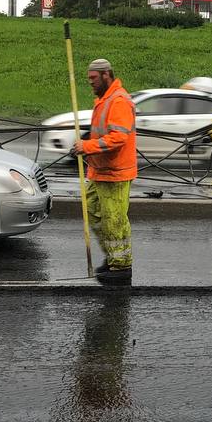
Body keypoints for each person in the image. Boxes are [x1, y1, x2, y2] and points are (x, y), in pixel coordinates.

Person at [70, 58, 136, 285]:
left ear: (106, 74)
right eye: (89, 78)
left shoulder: (118, 101)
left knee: (114, 220)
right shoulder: (105, 100)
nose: (90, 82)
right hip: (101, 170)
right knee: (92, 211)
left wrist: (87, 147)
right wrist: (85, 147)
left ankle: (121, 266)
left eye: (94, 78)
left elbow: (118, 137)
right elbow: (102, 134)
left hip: (115, 172)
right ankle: (112, 256)